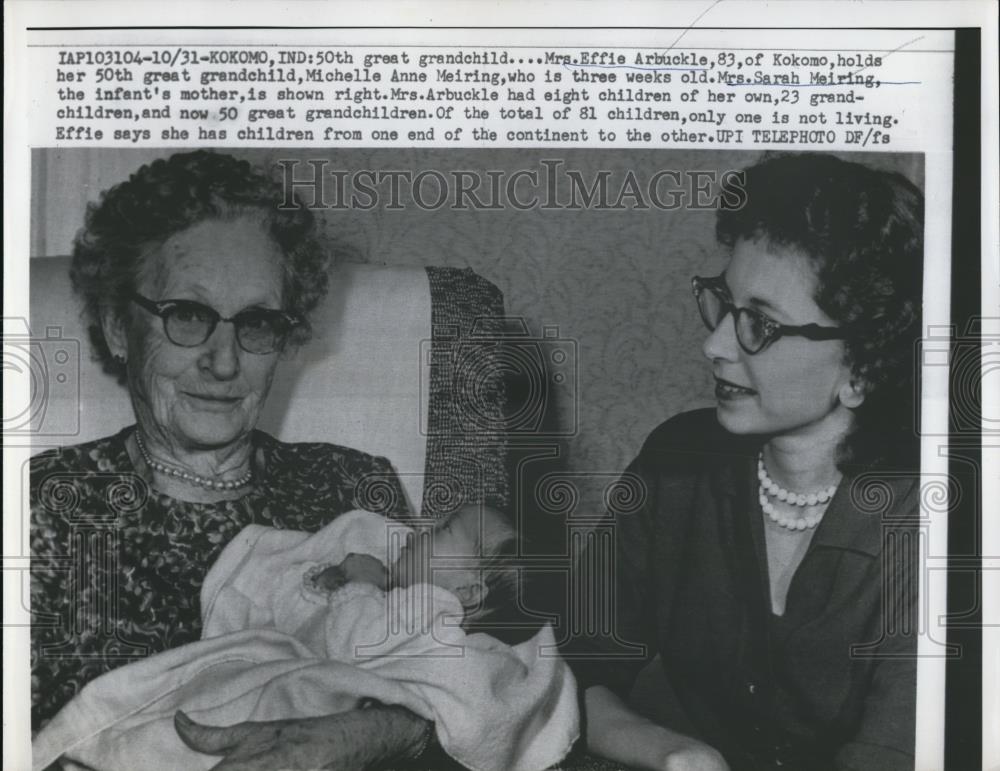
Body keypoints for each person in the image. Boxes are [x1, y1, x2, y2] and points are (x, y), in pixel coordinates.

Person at [29, 150, 435, 768]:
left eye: (257, 322)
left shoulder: (351, 485)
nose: (224, 362)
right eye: (187, 316)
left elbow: (462, 678)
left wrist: (370, 734)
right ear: (117, 326)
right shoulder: (40, 507)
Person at [564, 153, 923, 771]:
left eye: (760, 322)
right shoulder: (678, 461)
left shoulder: (934, 519)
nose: (715, 344)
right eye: (724, 304)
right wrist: (673, 753)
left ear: (862, 368)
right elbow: (573, 661)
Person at [32, 505, 579, 771]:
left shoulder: (430, 608)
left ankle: (102, 752)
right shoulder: (431, 608)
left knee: (221, 712)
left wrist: (359, 588)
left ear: (470, 588)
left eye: (439, 534)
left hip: (322, 706)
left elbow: (350, 646)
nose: (417, 532)